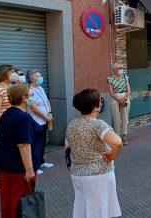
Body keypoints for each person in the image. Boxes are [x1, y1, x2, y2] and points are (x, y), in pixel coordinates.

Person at [65, 89, 123, 218]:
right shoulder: (98, 125)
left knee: (83, 208)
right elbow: (117, 142)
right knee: (100, 209)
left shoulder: (72, 124)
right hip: (99, 174)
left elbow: (67, 148)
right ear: (96, 107)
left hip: (77, 174)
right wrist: (112, 155)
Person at [0, 84, 43, 218]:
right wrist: (29, 170)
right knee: (19, 198)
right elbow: (23, 144)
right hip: (18, 167)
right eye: (30, 95)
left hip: (2, 163)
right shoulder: (24, 118)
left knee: (6, 196)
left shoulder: (7, 113)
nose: (32, 97)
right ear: (24, 98)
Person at [26, 69, 54, 175]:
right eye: (38, 76)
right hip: (37, 121)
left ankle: (41, 162)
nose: (40, 77)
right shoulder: (29, 91)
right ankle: (35, 167)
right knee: (36, 144)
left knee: (42, 143)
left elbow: (47, 101)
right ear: (32, 79)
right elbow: (34, 108)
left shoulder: (40, 88)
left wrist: (50, 113)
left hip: (45, 120)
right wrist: (46, 117)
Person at [0, 64, 17, 192]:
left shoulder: (11, 88)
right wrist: (4, 125)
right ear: (4, 74)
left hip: (11, 124)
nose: (14, 73)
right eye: (12, 71)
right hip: (2, 125)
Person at [107, 63, 131, 145]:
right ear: (115, 70)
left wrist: (124, 99)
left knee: (125, 117)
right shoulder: (110, 79)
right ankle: (117, 136)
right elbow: (111, 92)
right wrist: (119, 100)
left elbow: (129, 90)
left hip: (125, 97)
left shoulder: (125, 77)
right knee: (116, 117)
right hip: (115, 98)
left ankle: (124, 136)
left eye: (122, 68)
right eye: (120, 68)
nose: (122, 70)